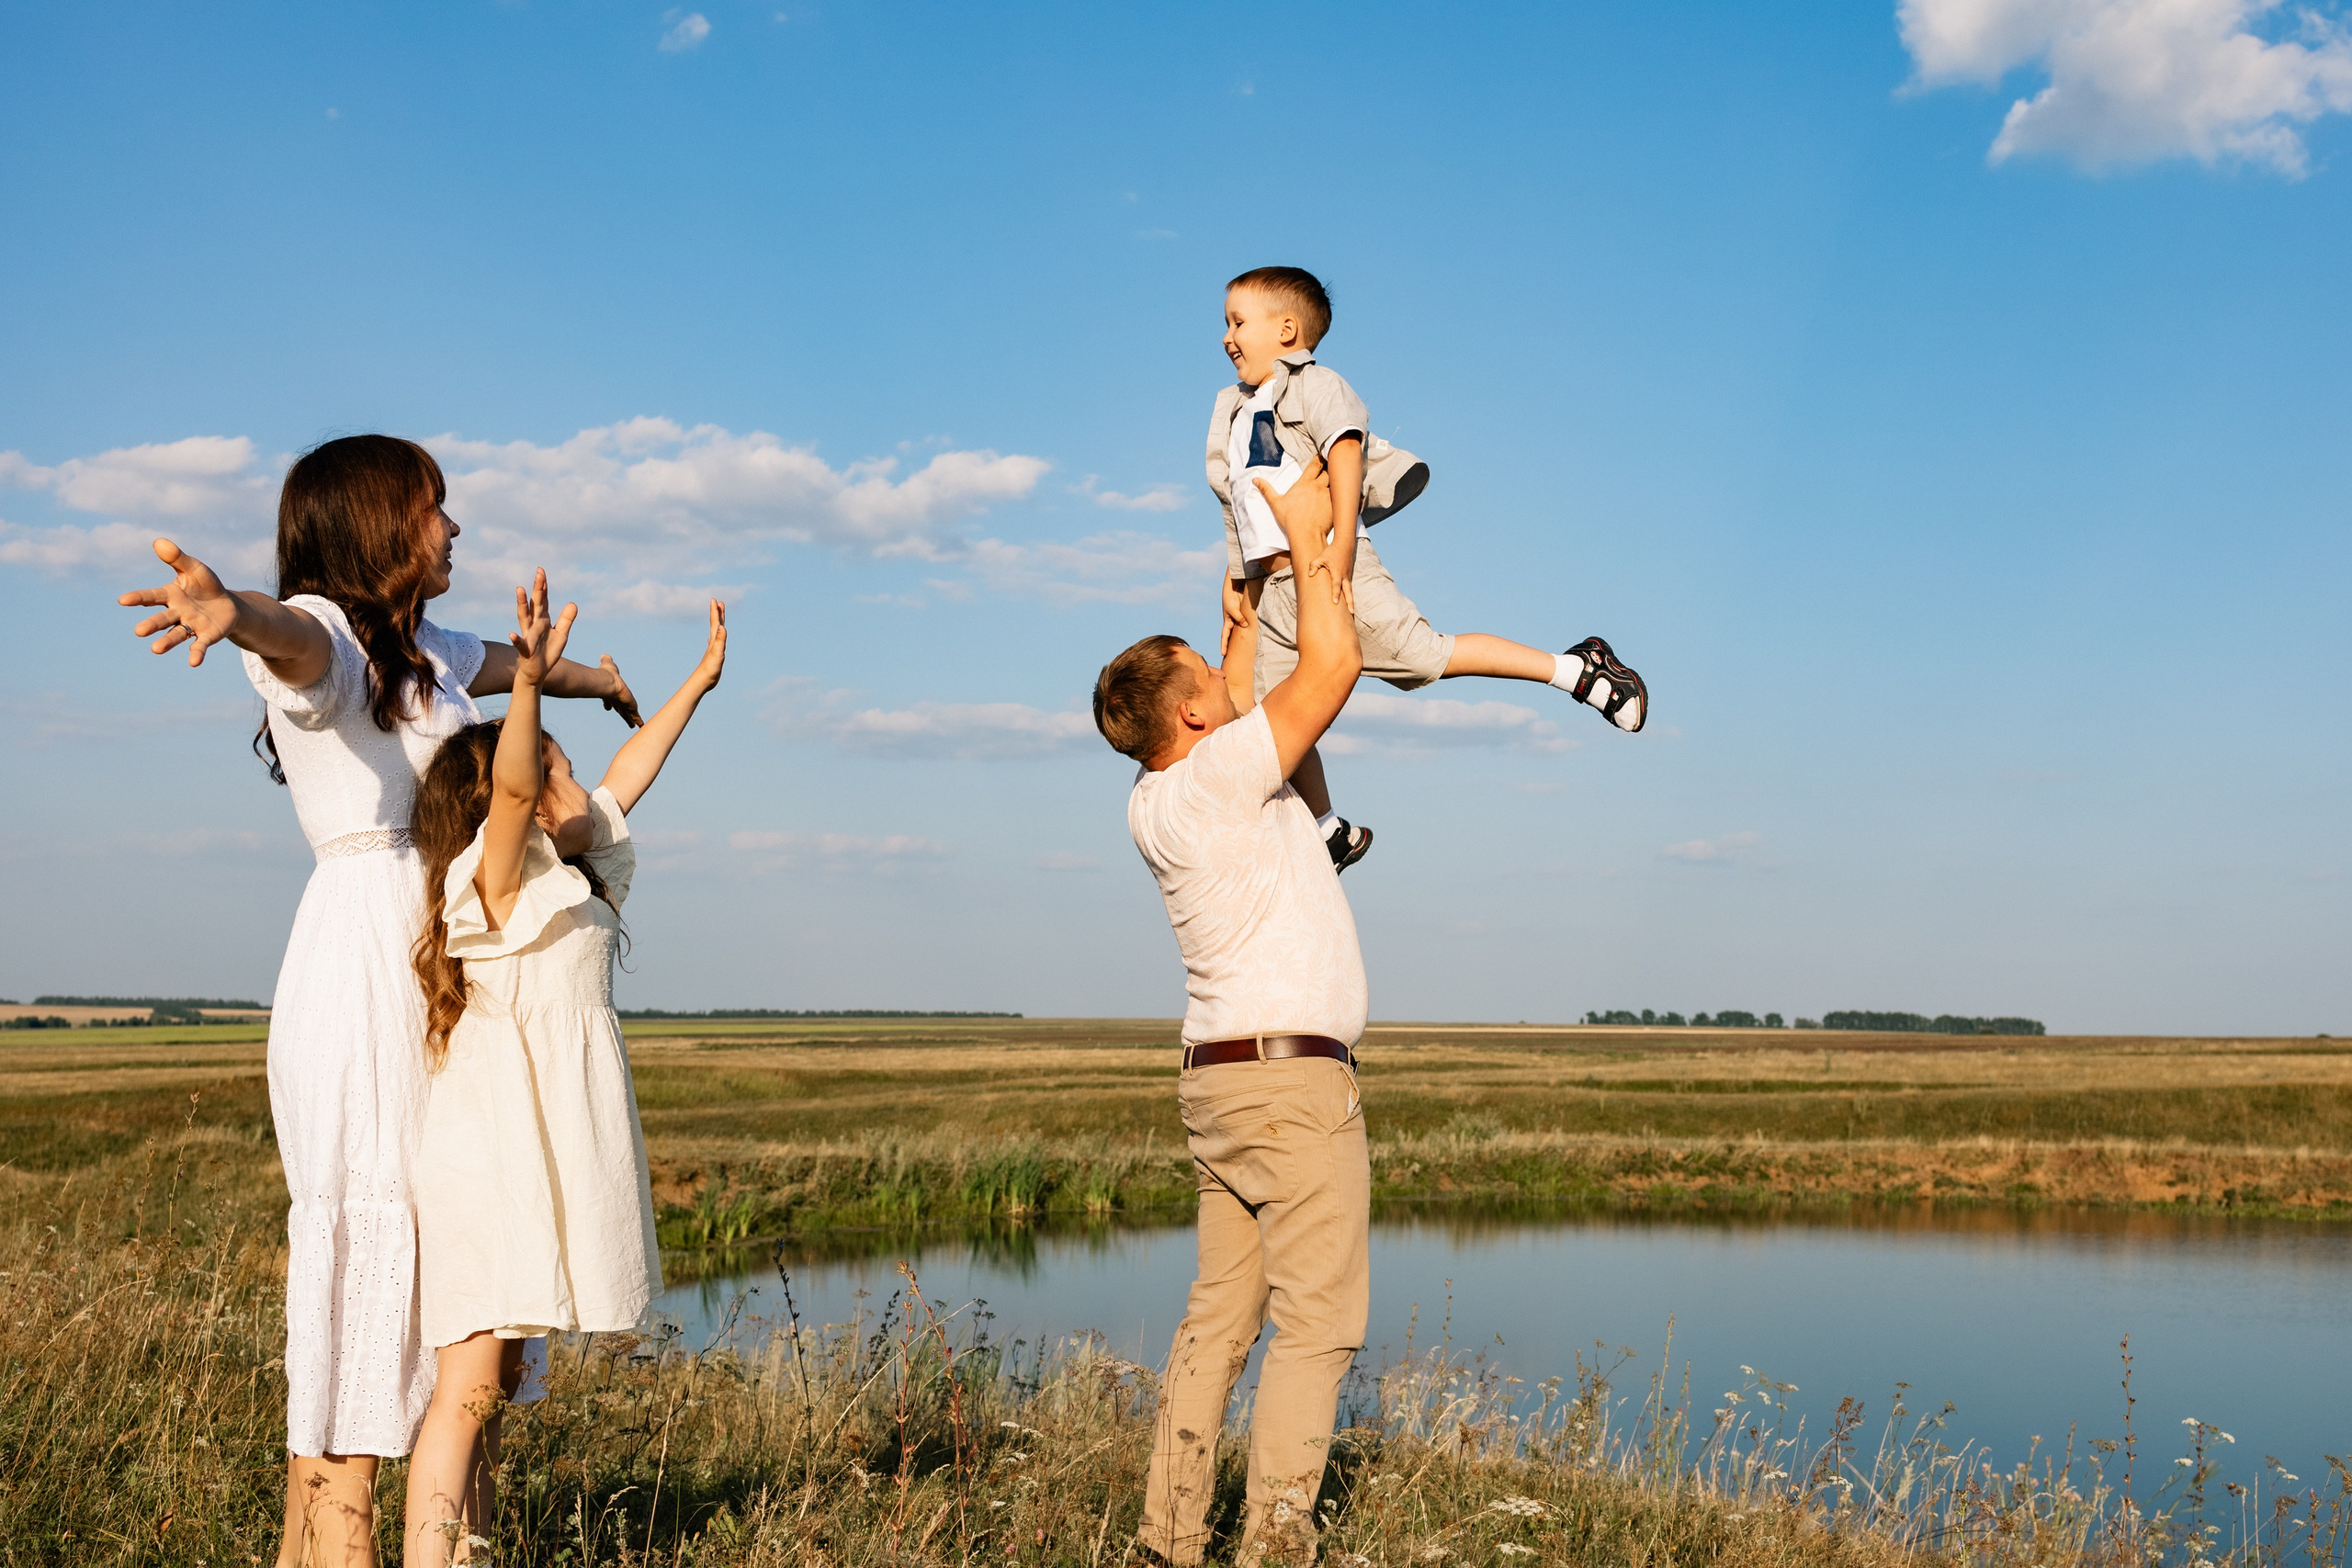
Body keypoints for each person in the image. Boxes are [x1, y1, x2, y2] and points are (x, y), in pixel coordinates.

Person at [114, 434, 642, 1568]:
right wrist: (231, 612)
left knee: (459, 1250)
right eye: (434, 507)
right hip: (362, 973)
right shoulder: (328, 637)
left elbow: (514, 667)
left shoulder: (427, 652)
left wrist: (599, 683)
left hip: (442, 963)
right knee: (369, 1260)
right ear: (374, 524)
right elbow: (290, 638)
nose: (453, 528)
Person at [400, 580, 725, 1565]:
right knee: (465, 1389)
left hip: (538, 1152)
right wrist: (530, 685)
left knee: (494, 1390)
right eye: (563, 771)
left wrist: (697, 684)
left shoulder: (575, 872)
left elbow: (633, 768)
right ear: (528, 796)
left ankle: (470, 1549)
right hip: (491, 1153)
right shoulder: (498, 881)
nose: (585, 784)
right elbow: (509, 789)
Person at [1092, 457, 1367, 1565]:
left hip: (1218, 1083)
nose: (1225, 677)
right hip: (1291, 1086)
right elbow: (1335, 666)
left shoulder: (1155, 798)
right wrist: (1306, 534)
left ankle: (1168, 1538)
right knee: (1318, 1326)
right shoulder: (1219, 778)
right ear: (1191, 712)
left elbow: (1237, 702)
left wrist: (1239, 618)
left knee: (1217, 1320)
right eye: (1209, 673)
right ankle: (1274, 1546)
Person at [1208, 265, 1651, 870]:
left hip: (1330, 566)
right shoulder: (1232, 411)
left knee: (1423, 658)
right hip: (1274, 585)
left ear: (1286, 330)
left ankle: (1578, 669)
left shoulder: (1315, 385)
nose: (1227, 336)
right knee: (1277, 717)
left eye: (1237, 322)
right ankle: (1328, 829)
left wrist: (1343, 544)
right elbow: (1237, 500)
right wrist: (1237, 579)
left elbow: (1345, 454)